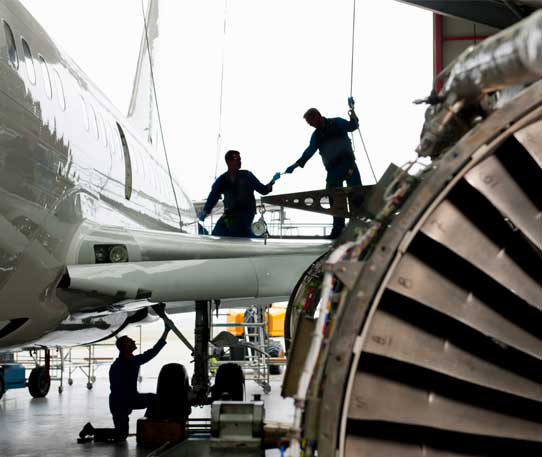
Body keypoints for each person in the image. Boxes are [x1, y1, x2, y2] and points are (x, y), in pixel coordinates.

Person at [78, 323, 170, 443]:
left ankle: (152, 427)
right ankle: (91, 430)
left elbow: (152, 352)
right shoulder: (118, 366)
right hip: (119, 403)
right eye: (130, 340)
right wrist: (130, 402)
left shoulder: (133, 361)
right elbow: (117, 390)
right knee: (121, 435)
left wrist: (166, 331)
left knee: (155, 399)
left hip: (128, 400)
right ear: (126, 346)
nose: (133, 341)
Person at [285, 107, 362, 239]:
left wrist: (352, 112)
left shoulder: (337, 122)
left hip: (349, 165)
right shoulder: (316, 136)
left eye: (311, 122)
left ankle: (359, 228)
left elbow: (353, 126)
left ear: (317, 116)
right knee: (334, 198)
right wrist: (296, 165)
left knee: (357, 196)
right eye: (309, 124)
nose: (311, 125)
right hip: (333, 170)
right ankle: (338, 230)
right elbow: (309, 152)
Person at [198, 150, 275, 237]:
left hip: (246, 215)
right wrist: (205, 212)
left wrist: (271, 183)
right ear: (228, 161)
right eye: (237, 159)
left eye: (240, 159)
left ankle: (257, 238)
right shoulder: (222, 180)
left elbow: (263, 190)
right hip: (229, 216)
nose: (239, 162)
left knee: (242, 231)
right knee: (217, 232)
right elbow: (213, 198)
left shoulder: (247, 175)